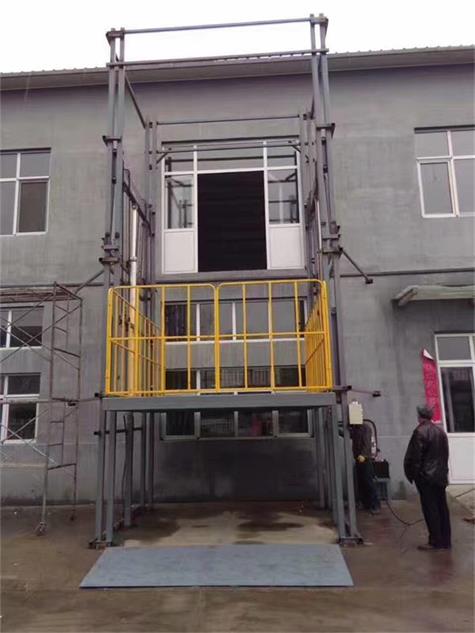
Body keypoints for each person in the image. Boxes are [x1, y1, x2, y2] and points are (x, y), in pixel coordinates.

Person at [404, 405, 451, 551]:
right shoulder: (440, 432)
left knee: (430, 509)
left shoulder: (419, 432)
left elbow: (415, 457)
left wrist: (414, 475)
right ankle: (446, 541)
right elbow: (445, 455)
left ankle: (435, 541)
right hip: (440, 476)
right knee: (442, 507)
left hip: (426, 478)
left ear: (420, 417)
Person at [351, 420, 381, 513]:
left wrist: (363, 455)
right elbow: (348, 434)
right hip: (358, 459)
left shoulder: (366, 428)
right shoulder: (355, 428)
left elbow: (367, 443)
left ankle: (375, 505)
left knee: (368, 482)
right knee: (361, 482)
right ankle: (365, 503)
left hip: (366, 459)